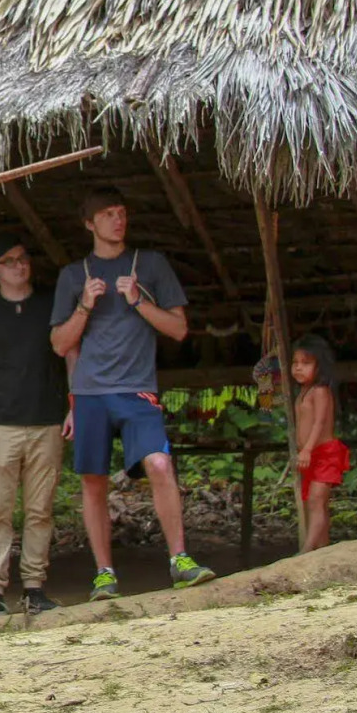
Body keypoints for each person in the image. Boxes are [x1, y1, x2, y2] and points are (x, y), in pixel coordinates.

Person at [50, 186, 215, 601]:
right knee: (94, 481)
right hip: (89, 393)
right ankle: (104, 572)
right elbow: (59, 343)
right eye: (107, 214)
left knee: (159, 463)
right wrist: (85, 306)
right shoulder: (74, 275)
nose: (118, 220)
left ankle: (180, 559)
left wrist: (137, 298)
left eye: (122, 212)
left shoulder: (151, 265)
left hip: (138, 389)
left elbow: (178, 329)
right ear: (89, 223)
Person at [0, 232, 69, 617]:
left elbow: (68, 354)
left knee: (40, 509)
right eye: (9, 261)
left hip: (46, 419)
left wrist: (71, 406)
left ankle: (34, 588)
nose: (20, 265)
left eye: (23, 258)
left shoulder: (49, 305)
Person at [292, 334, 346, 552]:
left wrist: (306, 449)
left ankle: (307, 550)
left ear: (319, 366)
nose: (298, 368)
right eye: (295, 363)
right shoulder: (302, 393)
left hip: (325, 453)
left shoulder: (320, 391)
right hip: (310, 456)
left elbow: (319, 422)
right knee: (313, 503)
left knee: (316, 500)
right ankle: (322, 550)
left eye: (305, 363)